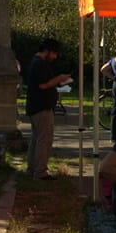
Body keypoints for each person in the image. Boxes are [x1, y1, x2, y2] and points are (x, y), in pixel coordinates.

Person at [24, 39, 71, 180]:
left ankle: (32, 168)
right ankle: (40, 172)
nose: (55, 57)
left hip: (36, 106)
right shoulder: (39, 64)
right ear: (47, 51)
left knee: (37, 139)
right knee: (44, 140)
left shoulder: (37, 62)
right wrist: (59, 78)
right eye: (54, 53)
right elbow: (43, 85)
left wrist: (58, 81)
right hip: (41, 107)